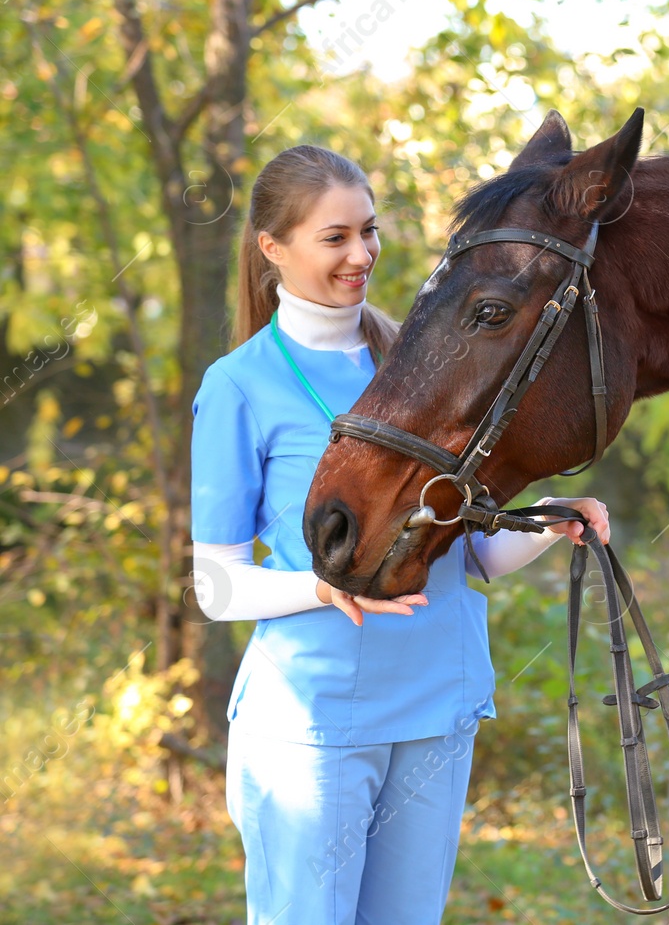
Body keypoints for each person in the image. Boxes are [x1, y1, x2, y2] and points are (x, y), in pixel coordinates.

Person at [188, 144, 610, 924]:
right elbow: (214, 584)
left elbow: (473, 552)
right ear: (273, 249)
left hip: (437, 707)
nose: (362, 254)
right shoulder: (240, 386)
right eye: (335, 236)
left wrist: (553, 524)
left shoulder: (426, 357)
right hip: (313, 723)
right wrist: (319, 586)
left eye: (369, 231)